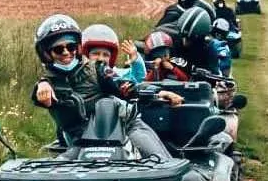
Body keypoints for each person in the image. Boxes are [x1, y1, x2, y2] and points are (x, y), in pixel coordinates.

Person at [31, 14, 173, 161]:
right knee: (54, 170)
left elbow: (123, 86)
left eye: (71, 47)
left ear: (78, 48)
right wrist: (42, 86)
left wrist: (157, 93)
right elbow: (38, 95)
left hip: (124, 128)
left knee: (160, 160)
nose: (66, 52)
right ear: (46, 54)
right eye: (58, 49)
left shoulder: (98, 69)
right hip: (81, 143)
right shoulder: (47, 85)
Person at [81, 23, 146, 83]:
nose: (101, 59)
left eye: (106, 55)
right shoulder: (79, 75)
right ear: (86, 55)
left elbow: (138, 78)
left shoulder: (115, 75)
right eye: (96, 54)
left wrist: (135, 60)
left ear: (112, 58)